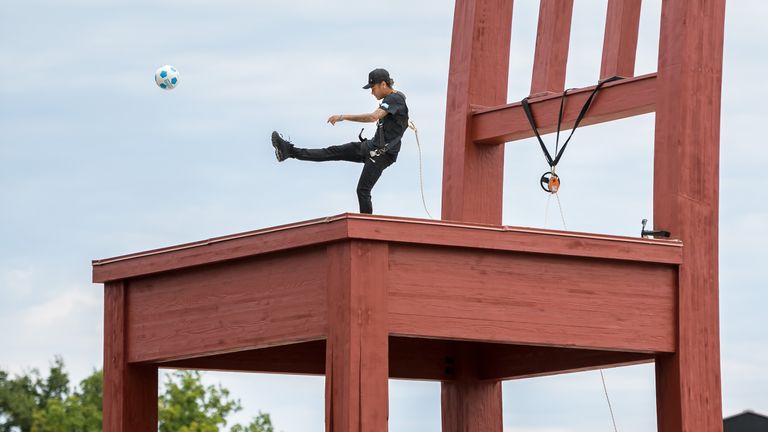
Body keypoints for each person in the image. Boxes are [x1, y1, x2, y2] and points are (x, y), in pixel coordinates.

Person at [271, 68, 409, 214]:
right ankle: (289, 151)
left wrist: (343, 117)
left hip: (381, 154)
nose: (371, 92)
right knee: (332, 152)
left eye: (373, 88)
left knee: (363, 190)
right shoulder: (391, 100)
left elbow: (373, 117)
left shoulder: (395, 99)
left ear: (383, 84)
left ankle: (367, 229)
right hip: (371, 147)